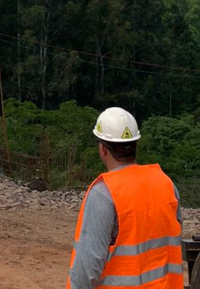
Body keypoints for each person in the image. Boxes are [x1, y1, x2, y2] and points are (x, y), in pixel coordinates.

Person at [67, 107, 183, 289]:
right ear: (135, 144)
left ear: (103, 149)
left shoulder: (104, 193)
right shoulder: (166, 184)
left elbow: (87, 269)